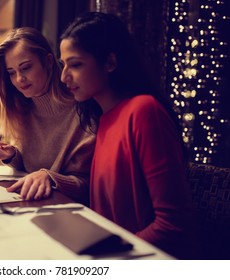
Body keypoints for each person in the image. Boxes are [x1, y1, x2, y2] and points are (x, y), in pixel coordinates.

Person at [59, 12, 198, 259]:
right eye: (64, 65)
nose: (64, 76)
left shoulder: (143, 111)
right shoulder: (103, 118)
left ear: (110, 63)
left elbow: (172, 225)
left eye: (76, 64)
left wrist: (108, 260)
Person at [0, 27, 95, 204]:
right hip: (36, 205)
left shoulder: (83, 108)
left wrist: (51, 178)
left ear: (48, 62)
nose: (19, 79)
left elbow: (89, 186)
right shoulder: (23, 109)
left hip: (71, 211)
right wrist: (12, 156)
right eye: (11, 73)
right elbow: (32, 168)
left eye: (26, 68)